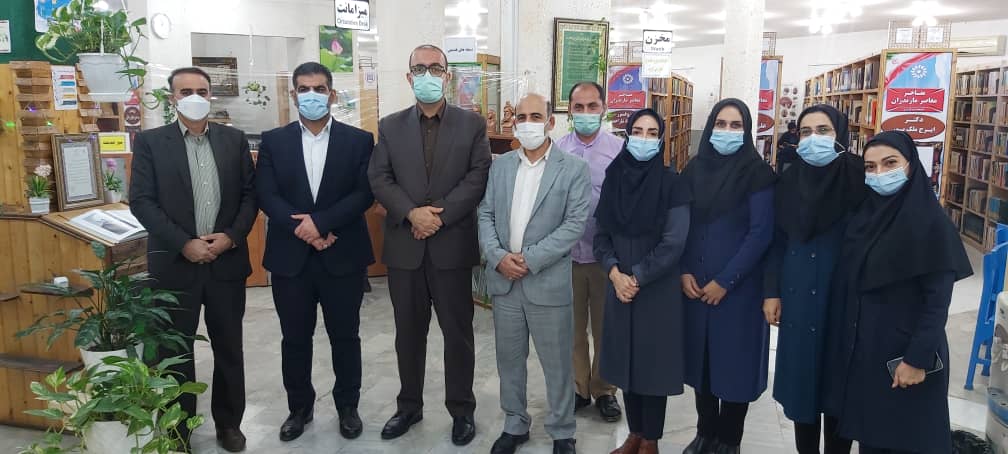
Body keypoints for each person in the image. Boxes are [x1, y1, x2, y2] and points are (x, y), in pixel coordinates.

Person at [367, 44, 491, 445]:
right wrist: (411, 213)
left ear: (447, 76)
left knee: (458, 335)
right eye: (419, 68)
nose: (427, 75)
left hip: (451, 247)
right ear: (409, 77)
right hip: (405, 249)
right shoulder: (390, 126)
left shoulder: (472, 125)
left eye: (435, 68)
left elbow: (478, 176)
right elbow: (379, 178)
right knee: (408, 334)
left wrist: (437, 216)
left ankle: (462, 410)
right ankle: (409, 407)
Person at [130, 66, 257, 453]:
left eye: (201, 90)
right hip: (174, 264)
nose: (195, 97)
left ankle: (229, 424)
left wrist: (231, 237)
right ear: (172, 98)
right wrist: (184, 243)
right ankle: (177, 428)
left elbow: (251, 196)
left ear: (210, 95)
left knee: (229, 349)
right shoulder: (151, 142)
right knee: (174, 352)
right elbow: (142, 201)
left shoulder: (234, 141)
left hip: (225, 263)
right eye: (186, 91)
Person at [822, 131, 972, 454]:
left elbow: (936, 304)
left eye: (890, 163)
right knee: (873, 437)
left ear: (911, 166)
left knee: (909, 437)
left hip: (906, 356)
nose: (879, 174)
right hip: (867, 353)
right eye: (870, 167)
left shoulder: (932, 225)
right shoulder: (863, 219)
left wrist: (916, 359)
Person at [256, 62, 375, 443]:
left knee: (346, 336)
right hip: (291, 260)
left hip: (343, 254)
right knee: (294, 338)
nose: (312, 95)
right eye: (304, 89)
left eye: (319, 89)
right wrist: (305, 230)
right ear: (293, 95)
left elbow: (364, 193)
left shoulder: (359, 141)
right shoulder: (273, 141)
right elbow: (267, 194)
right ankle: (299, 409)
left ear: (332, 95)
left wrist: (322, 224)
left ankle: (348, 407)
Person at [477, 92, 590, 454]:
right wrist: (498, 257)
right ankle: (515, 424)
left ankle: (562, 430)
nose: (527, 123)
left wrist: (527, 259)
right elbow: (485, 214)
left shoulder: (573, 169)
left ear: (550, 122)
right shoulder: (500, 167)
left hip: (547, 282)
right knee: (509, 361)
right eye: (521, 117)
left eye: (535, 116)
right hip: (505, 283)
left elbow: (574, 225)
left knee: (557, 364)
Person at [762, 105, 864, 454]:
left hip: (844, 295)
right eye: (805, 132)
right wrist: (772, 292)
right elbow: (777, 241)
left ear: (840, 134)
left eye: (823, 131)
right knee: (802, 386)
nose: (813, 139)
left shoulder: (860, 177)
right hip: (799, 293)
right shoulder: (789, 181)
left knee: (839, 385)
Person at [679, 98, 776, 454]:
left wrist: (725, 281)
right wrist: (684, 270)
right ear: (709, 127)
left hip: (739, 290)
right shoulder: (694, 169)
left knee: (735, 366)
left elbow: (760, 234)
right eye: (721, 124)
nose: (727, 132)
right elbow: (681, 224)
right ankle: (705, 432)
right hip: (696, 286)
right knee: (702, 362)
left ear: (747, 131)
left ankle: (729, 440)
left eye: (736, 126)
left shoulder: (758, 174)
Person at [594, 108, 692, 454]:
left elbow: (674, 241)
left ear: (662, 139)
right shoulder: (614, 177)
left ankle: (651, 439)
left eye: (652, 133)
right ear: (627, 135)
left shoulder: (672, 183)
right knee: (626, 362)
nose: (644, 139)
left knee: (653, 367)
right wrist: (614, 273)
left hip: (656, 290)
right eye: (638, 131)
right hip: (619, 286)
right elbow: (601, 235)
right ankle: (634, 433)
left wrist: (636, 277)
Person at [555, 81, 623, 422]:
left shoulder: (619, 149)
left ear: (603, 108)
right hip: (566, 255)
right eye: (578, 107)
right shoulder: (557, 149)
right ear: (569, 110)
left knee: (605, 327)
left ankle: (605, 390)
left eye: (592, 106)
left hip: (605, 257)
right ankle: (579, 388)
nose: (585, 113)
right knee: (571, 328)